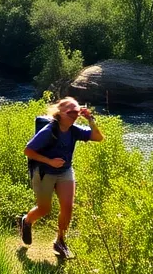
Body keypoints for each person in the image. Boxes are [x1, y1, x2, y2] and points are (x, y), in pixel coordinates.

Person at [18, 97, 104, 260]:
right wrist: (50, 161)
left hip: (65, 171)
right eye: (71, 112)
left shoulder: (74, 130)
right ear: (61, 113)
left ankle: (60, 241)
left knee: (68, 207)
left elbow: (98, 137)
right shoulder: (49, 131)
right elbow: (28, 151)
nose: (75, 115)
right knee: (44, 209)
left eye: (77, 112)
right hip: (44, 172)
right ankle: (27, 221)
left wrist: (91, 120)